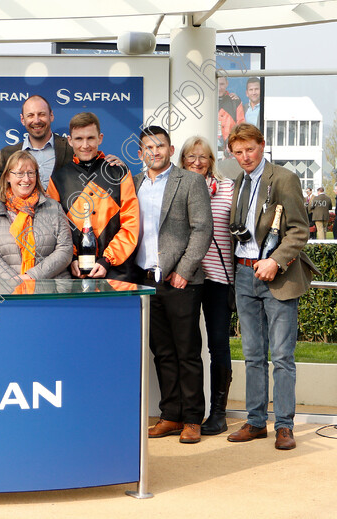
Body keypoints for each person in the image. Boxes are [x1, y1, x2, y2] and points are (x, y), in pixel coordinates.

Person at [225, 123, 317, 450]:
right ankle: (254, 422)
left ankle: (284, 426)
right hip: (244, 275)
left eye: (250, 149)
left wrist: (275, 261)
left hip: (276, 276)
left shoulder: (284, 178)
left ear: (262, 146)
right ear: (231, 153)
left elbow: (299, 231)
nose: (245, 156)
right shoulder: (237, 182)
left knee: (281, 356)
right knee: (251, 355)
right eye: (238, 152)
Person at [134, 126, 212, 444]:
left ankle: (193, 419)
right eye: (148, 147)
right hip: (146, 280)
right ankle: (170, 415)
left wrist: (184, 269)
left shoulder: (190, 181)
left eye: (160, 146)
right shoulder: (135, 183)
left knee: (187, 352)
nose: (155, 151)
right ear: (141, 153)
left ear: (170, 149)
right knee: (162, 352)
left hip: (181, 280)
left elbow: (202, 229)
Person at [179, 136, 235, 435]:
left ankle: (218, 412)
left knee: (218, 346)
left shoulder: (228, 189)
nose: (197, 162)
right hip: (187, 278)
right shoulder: (177, 187)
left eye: (203, 157)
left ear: (212, 160)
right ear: (183, 160)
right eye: (191, 157)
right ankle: (187, 414)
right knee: (186, 347)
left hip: (219, 280)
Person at [45, 112, 139, 281]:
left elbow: (131, 224)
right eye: (79, 139)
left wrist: (107, 260)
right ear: (70, 140)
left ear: (100, 138)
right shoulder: (58, 178)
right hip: (73, 274)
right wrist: (71, 259)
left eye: (90, 138)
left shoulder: (119, 172)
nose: (85, 145)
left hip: (116, 273)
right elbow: (53, 229)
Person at [0, 150, 72, 280]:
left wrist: (31, 277)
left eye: (31, 173)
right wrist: (16, 283)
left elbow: (65, 250)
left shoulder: (54, 208)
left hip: (51, 291)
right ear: (7, 176)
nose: (26, 179)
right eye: (19, 173)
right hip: (10, 293)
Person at [0, 95, 73, 187]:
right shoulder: (7, 155)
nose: (37, 120)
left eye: (41, 114)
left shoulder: (71, 148)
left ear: (51, 116)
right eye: (30, 115)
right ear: (22, 120)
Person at [218, 76, 245, 153]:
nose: (219, 88)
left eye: (222, 84)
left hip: (231, 150)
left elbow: (241, 126)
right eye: (217, 84)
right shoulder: (207, 101)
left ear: (227, 84)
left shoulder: (235, 101)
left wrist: (233, 144)